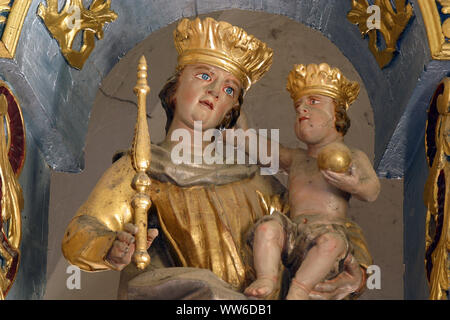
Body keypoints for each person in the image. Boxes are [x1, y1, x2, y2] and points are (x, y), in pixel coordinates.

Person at [61, 18, 371, 300]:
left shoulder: (256, 180)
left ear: (230, 113)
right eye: (204, 75)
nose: (214, 91)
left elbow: (314, 228)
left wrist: (353, 269)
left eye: (228, 89)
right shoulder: (140, 167)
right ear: (174, 90)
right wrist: (111, 245)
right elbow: (82, 231)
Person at [243, 63, 380, 299]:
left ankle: (300, 289)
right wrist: (237, 117)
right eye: (298, 107)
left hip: (327, 228)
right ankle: (266, 277)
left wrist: (353, 185)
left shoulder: (352, 156)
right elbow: (252, 144)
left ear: (337, 113)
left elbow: (372, 192)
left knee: (332, 243)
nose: (302, 110)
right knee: (267, 228)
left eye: (313, 102)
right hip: (293, 230)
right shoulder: (295, 158)